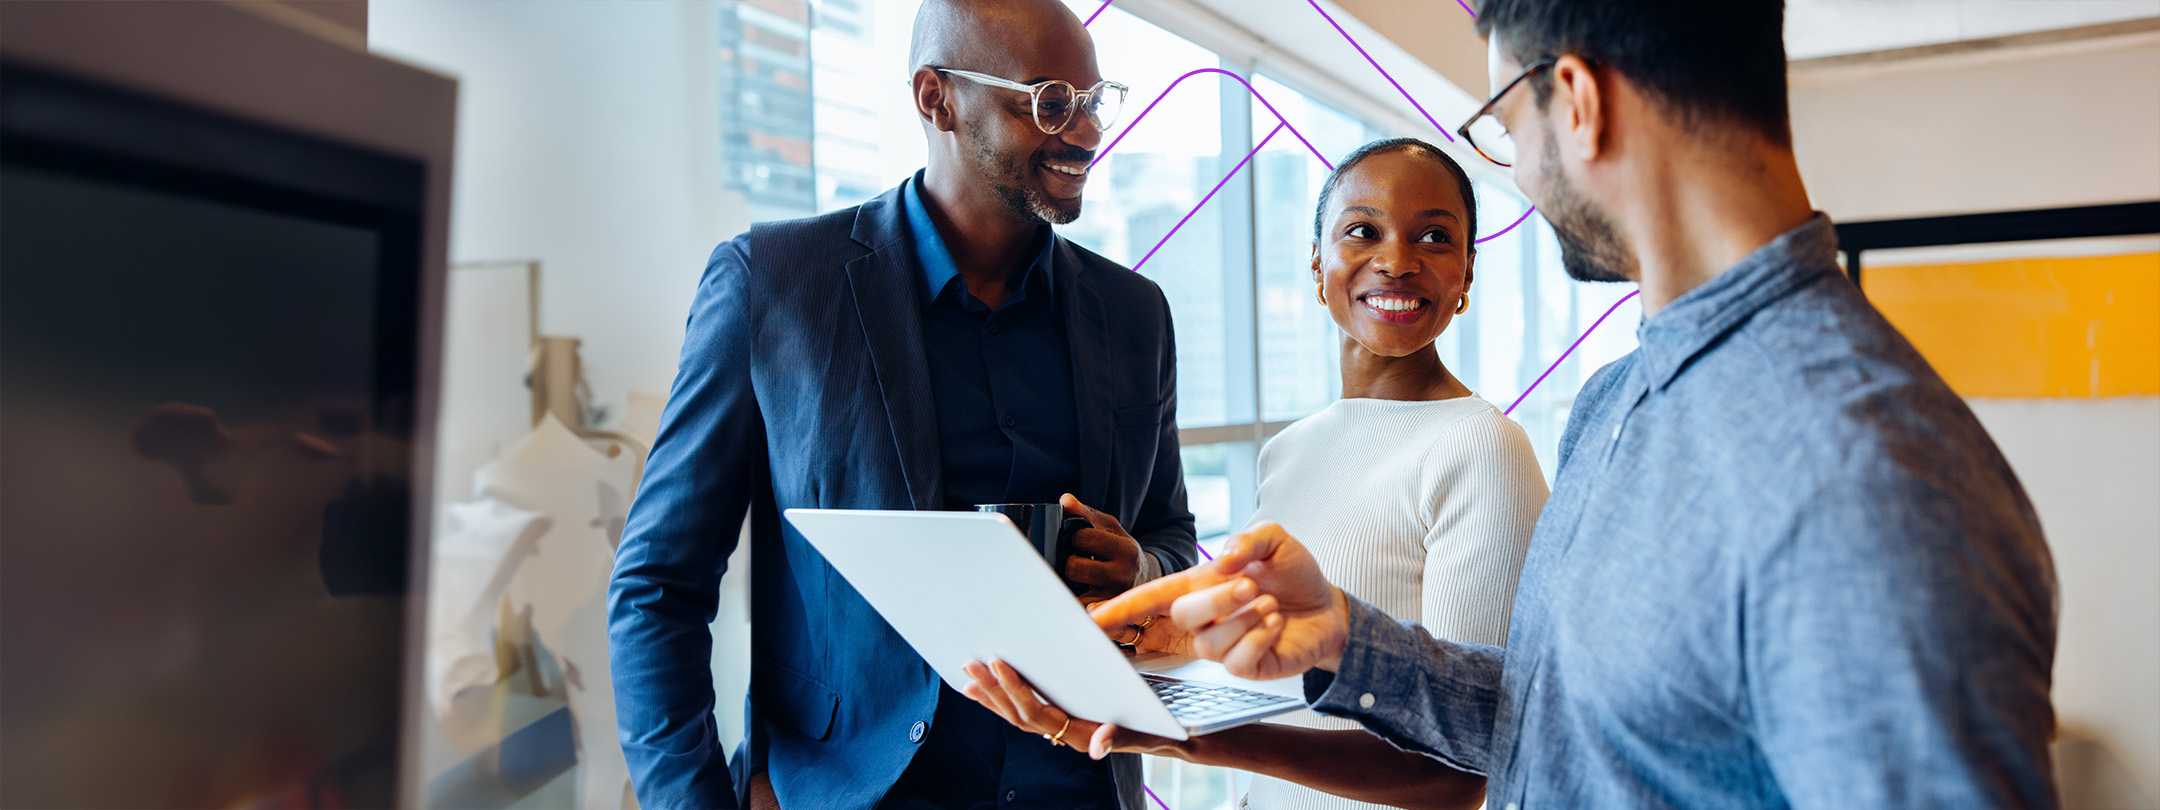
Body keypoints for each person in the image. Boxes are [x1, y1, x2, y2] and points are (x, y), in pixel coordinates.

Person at [1083, 0, 2062, 807]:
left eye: (1508, 122)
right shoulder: (1616, 404)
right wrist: (1344, 641)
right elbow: (1556, 721)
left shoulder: (1859, 477)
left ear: (1580, 101)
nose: (1517, 166)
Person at [606, 1, 1196, 808]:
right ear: (936, 98)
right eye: (1052, 102)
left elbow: (1171, 535)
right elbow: (657, 584)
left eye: (1094, 102)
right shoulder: (772, 284)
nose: (1087, 133)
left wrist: (1144, 567)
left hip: (1081, 784)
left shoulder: (1135, 313)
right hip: (851, 789)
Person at [965, 138, 1547, 810]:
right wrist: (1143, 593)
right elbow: (1273, 673)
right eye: (1363, 230)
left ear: (1467, 273)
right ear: (1316, 261)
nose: (1395, 261)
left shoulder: (1484, 446)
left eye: (1435, 238)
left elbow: (1461, 772)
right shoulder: (1292, 448)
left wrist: (1179, 739)